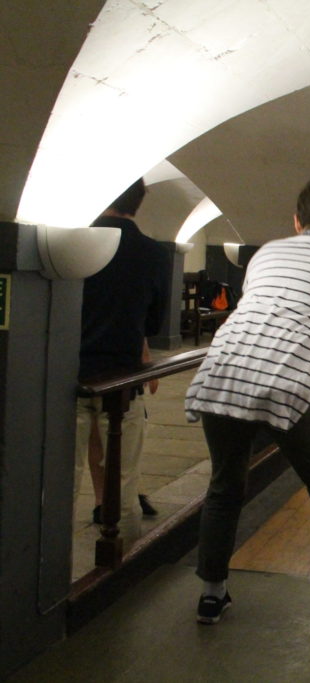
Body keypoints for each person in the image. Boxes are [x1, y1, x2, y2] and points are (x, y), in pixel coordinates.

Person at [184, 179, 310, 662]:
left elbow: (261, 309)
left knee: (224, 487)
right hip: (294, 383)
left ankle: (211, 596)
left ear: (295, 221)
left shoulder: (265, 255)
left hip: (222, 372)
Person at [75, 178, 169, 540]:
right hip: (123, 377)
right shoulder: (154, 253)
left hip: (72, 374)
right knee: (125, 479)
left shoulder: (75, 241)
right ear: (139, 202)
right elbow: (154, 323)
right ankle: (118, 564)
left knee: (60, 482)